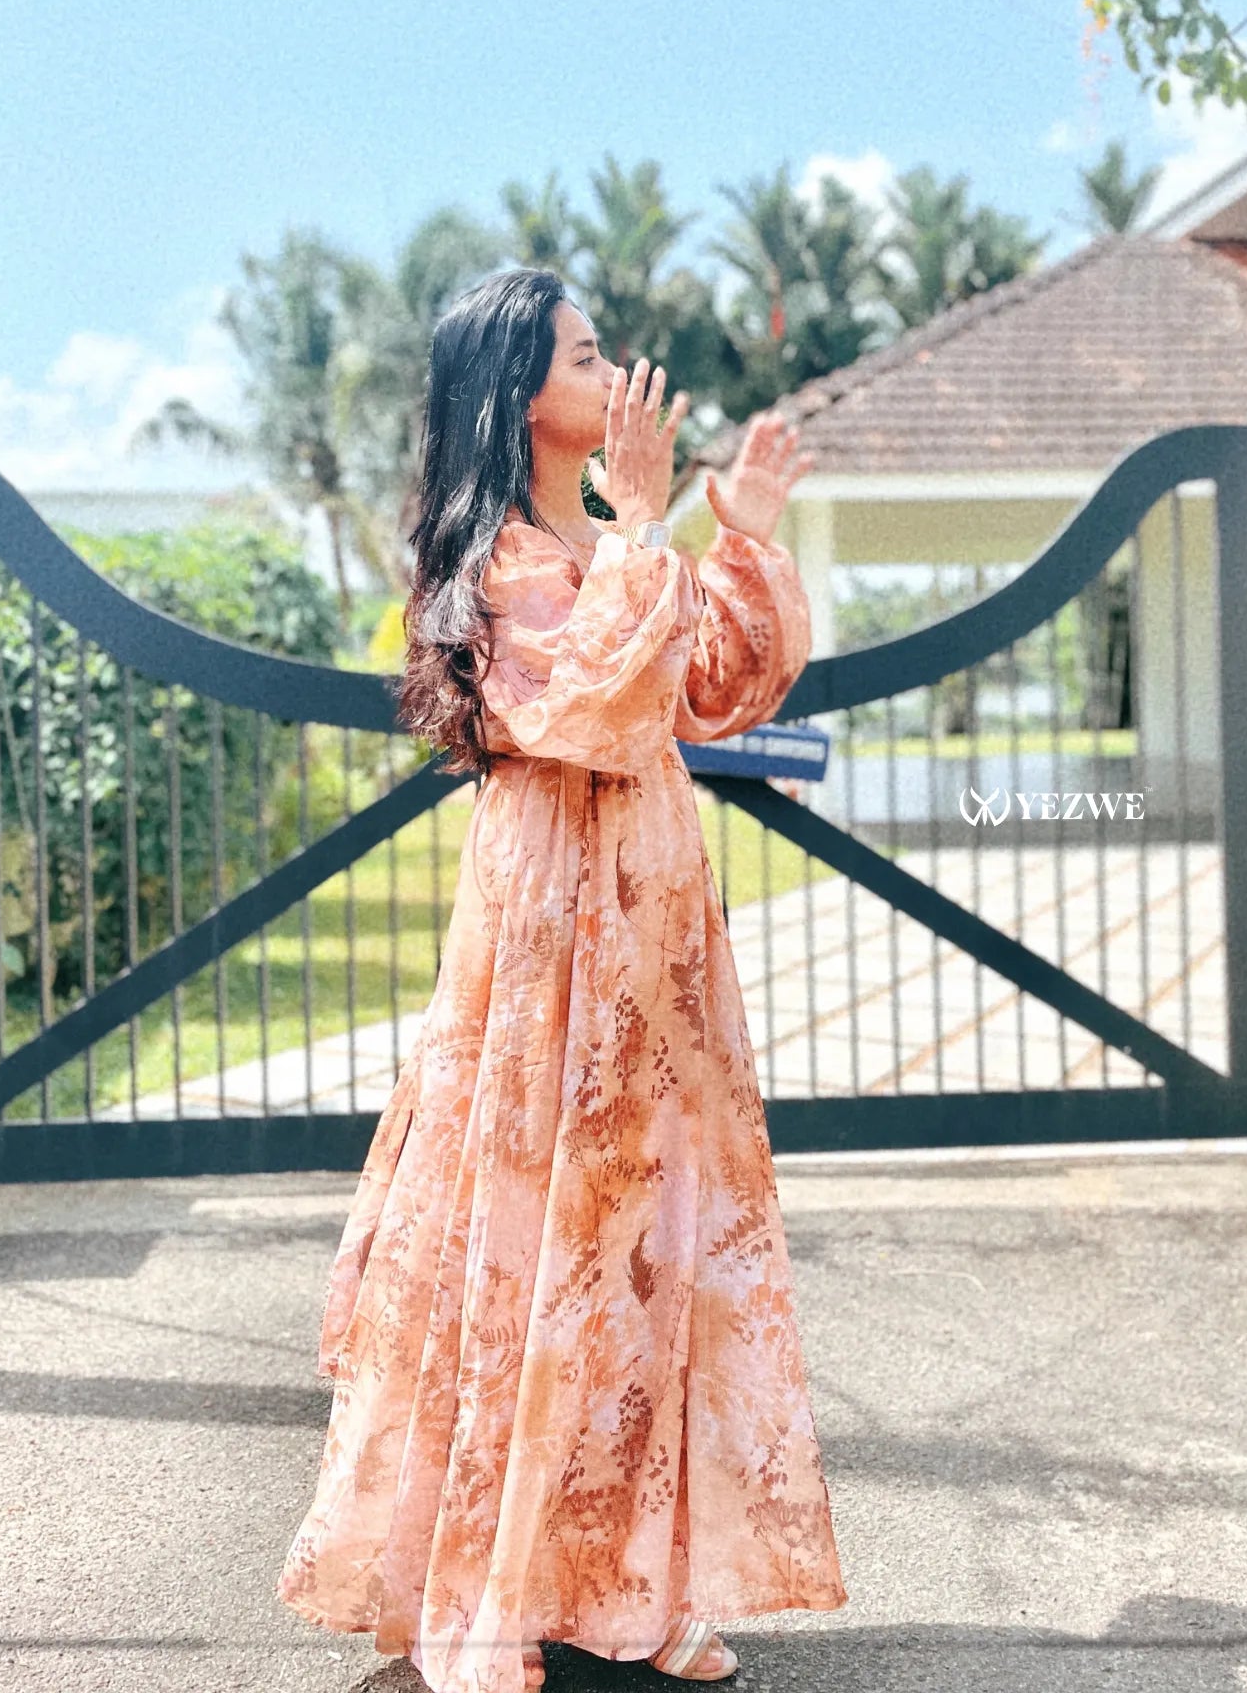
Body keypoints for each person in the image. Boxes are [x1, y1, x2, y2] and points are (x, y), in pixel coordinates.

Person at [276, 267, 847, 1691]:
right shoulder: (504, 565)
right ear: (520, 388)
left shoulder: (603, 544)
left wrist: (746, 535)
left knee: (642, 1242)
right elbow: (591, 706)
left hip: (654, 931)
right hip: (548, 935)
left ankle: (631, 1594)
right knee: (530, 1241)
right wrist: (648, 525)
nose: (617, 372)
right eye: (589, 355)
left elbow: (709, 693)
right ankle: (488, 1590)